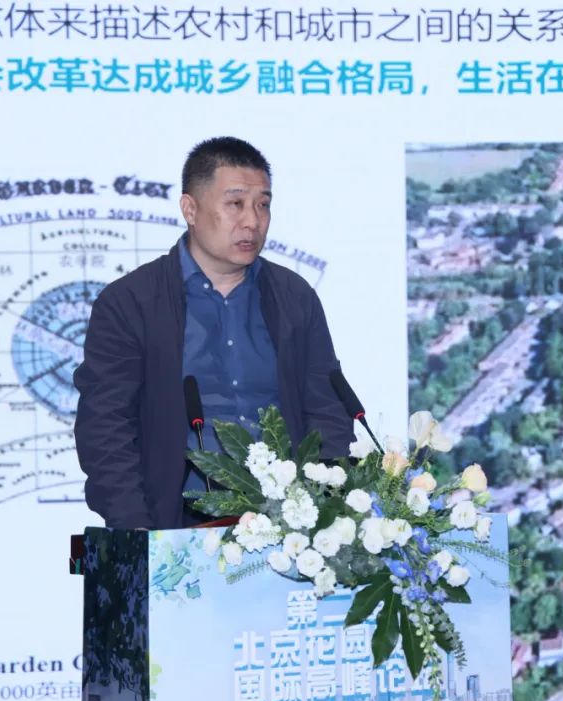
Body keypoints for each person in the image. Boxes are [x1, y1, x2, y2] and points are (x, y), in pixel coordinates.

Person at [74, 137, 354, 529]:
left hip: (287, 526)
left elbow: (327, 411)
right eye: (235, 203)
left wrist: (326, 511)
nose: (253, 221)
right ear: (190, 209)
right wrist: (135, 530)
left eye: (263, 205)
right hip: (175, 526)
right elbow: (105, 427)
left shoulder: (294, 298)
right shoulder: (131, 302)